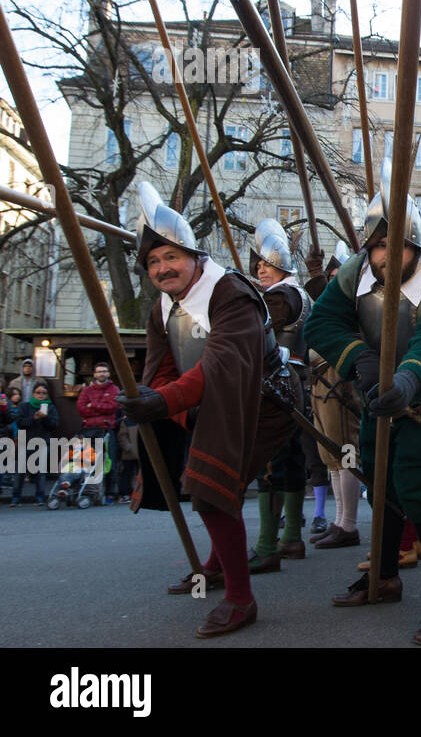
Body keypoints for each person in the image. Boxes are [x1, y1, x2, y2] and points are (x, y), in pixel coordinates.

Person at [303, 176, 421, 645]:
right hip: (382, 386)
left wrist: (404, 381)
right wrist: (358, 358)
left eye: (395, 246)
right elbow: (320, 323)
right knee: (378, 475)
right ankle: (384, 576)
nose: (384, 257)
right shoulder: (356, 272)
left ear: (415, 246)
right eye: (378, 246)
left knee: (415, 479)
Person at [115, 182, 298, 638]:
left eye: (171, 257)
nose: (162, 269)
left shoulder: (230, 291)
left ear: (194, 256)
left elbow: (221, 365)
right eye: (153, 262)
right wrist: (161, 406)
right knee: (215, 485)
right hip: (213, 398)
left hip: (265, 401)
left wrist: (166, 401)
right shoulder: (161, 306)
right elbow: (160, 368)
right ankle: (218, 566)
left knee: (214, 486)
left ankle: (240, 598)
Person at [245, 220, 313, 573]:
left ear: (282, 266)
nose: (260, 269)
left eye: (266, 265)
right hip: (297, 383)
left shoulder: (279, 297)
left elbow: (256, 334)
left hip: (277, 384)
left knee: (271, 463)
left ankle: (267, 545)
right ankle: (291, 537)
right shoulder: (302, 294)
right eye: (258, 265)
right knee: (291, 461)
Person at [307, 242, 365, 549]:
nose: (332, 281)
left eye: (337, 276)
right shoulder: (335, 297)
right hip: (320, 377)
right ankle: (340, 520)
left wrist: (316, 275)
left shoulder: (356, 302)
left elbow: (333, 305)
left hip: (338, 377)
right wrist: (316, 273)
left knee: (346, 451)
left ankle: (349, 524)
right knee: (331, 455)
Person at [76, 363, 122, 502]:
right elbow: (81, 408)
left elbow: (113, 407)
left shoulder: (114, 389)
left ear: (108, 374)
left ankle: (109, 493)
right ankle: (89, 492)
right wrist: (101, 408)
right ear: (94, 374)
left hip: (107, 430)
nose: (101, 374)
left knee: (109, 462)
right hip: (89, 430)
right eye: (99, 371)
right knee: (88, 462)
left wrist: (94, 405)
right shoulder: (87, 390)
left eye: (104, 371)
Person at [13, 381, 59, 506]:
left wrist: (45, 418)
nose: (41, 395)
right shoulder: (25, 406)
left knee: (40, 472)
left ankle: (39, 497)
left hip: (42, 443)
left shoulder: (50, 407)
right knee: (20, 471)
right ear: (33, 394)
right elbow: (20, 423)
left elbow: (54, 425)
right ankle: (16, 497)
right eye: (38, 393)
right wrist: (34, 418)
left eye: (44, 393)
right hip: (25, 442)